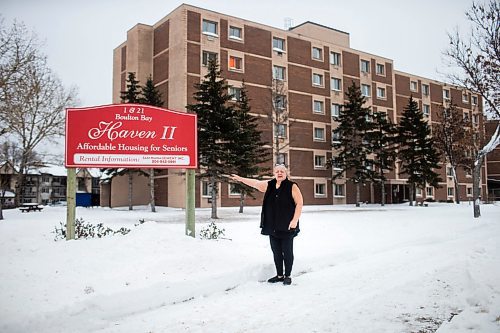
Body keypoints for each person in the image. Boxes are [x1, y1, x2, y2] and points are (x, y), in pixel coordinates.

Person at [231, 164, 303, 285]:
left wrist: (295, 220)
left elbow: (299, 204)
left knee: (287, 251)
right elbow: (255, 183)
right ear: (274, 173)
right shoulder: (269, 185)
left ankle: (288, 275)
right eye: (277, 171)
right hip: (272, 225)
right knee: (276, 251)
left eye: (282, 171)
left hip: (287, 225)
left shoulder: (292, 186)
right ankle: (279, 275)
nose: (279, 173)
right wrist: (240, 179)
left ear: (286, 174)